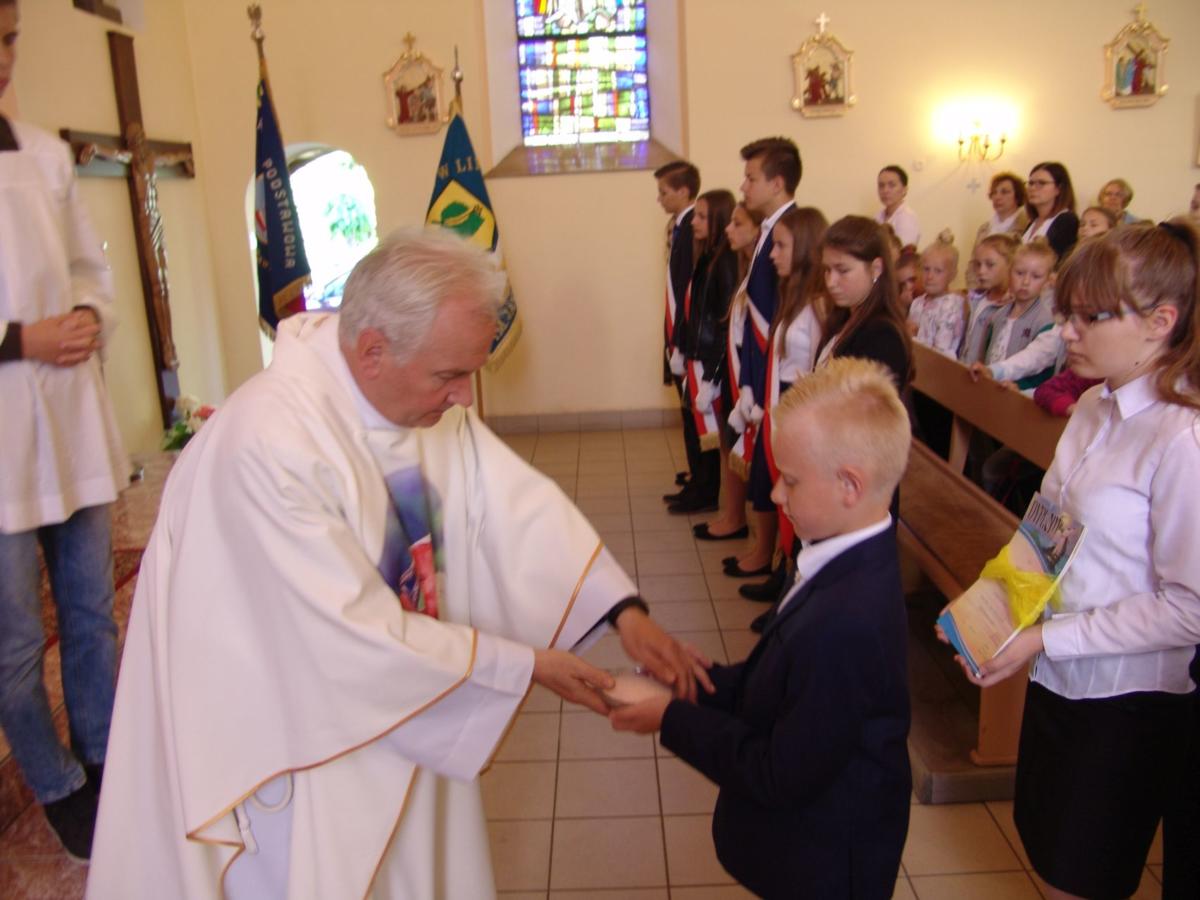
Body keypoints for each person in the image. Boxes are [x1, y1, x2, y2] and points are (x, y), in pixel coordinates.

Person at [87, 230, 699, 899]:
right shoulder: (269, 445)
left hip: (411, 713)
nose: (465, 398)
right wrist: (526, 666)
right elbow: (342, 636)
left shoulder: (408, 399)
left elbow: (508, 509)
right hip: (303, 756)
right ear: (373, 350)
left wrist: (622, 613)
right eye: (450, 376)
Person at [947, 220, 1200, 900]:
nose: (1068, 333)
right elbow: (1047, 528)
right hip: (1061, 676)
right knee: (1050, 852)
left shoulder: (1182, 437)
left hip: (1126, 701)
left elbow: (1189, 610)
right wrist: (988, 614)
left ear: (1161, 322)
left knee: (1083, 876)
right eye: (1066, 315)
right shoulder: (1092, 404)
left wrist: (1040, 640)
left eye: (1090, 317)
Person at [611, 357, 913, 899]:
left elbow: (779, 773)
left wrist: (669, 717)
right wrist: (696, 680)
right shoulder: (841, 558)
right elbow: (782, 686)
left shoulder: (849, 622)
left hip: (825, 868)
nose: (775, 495)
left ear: (850, 485)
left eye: (790, 481)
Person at [0, 0, 127, 862]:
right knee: (13, 644)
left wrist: (86, 312)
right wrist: (21, 341)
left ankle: (107, 756)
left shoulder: (44, 154)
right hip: (4, 434)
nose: (3, 56)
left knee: (91, 615)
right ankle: (57, 785)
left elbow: (90, 268)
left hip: (70, 420)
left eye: (10, 38)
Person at [739, 206, 829, 607]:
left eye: (781, 246)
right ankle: (781, 575)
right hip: (781, 402)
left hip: (798, 404)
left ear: (806, 248)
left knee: (795, 498)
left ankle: (789, 587)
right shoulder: (792, 296)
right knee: (772, 491)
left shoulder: (819, 304)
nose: (772, 255)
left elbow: (819, 369)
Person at [725, 137, 801, 578]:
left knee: (775, 470)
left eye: (751, 178)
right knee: (764, 471)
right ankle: (767, 555)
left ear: (777, 182)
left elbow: (773, 319)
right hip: (761, 376)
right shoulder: (771, 230)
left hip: (778, 377)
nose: (744, 186)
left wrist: (757, 385)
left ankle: (775, 562)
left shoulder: (787, 231)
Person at [693, 201, 761, 543]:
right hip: (733, 370)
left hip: (745, 375)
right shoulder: (740, 265)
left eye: (737, 223)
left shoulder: (748, 270)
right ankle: (733, 516)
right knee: (729, 443)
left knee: (737, 445)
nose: (728, 230)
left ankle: (738, 520)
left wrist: (714, 375)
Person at [670, 188, 737, 514]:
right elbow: (691, 310)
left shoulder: (724, 261)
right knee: (694, 426)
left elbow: (724, 322)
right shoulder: (707, 257)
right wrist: (681, 347)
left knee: (708, 430)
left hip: (708, 359)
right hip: (696, 354)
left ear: (718, 220)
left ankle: (707, 492)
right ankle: (698, 484)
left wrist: (712, 375)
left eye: (701, 216)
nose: (694, 222)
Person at [654, 159, 701, 499]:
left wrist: (681, 342)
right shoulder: (679, 227)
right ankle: (697, 473)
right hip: (678, 331)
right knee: (687, 412)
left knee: (693, 413)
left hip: (688, 335)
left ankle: (703, 484)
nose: (659, 199)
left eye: (664, 192)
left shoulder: (692, 229)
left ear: (684, 191)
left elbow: (687, 290)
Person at [969, 240, 1060, 392]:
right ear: (1009, 272)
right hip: (990, 389)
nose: (1025, 282)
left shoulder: (1046, 322)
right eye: (1020, 273)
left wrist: (1019, 386)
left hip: (1019, 395)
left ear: (1047, 281)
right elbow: (985, 355)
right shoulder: (997, 315)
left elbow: (1038, 364)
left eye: (1036, 276)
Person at [961, 233, 1018, 365]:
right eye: (978, 264)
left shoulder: (1012, 307)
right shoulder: (974, 300)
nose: (981, 271)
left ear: (1010, 265)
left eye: (990, 265)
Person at [967, 172, 1027, 289]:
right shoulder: (984, 228)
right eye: (994, 192)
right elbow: (973, 263)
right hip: (981, 290)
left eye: (1004, 192)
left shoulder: (1026, 225)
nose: (997, 197)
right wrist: (974, 291)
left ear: (1017, 196)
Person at [907, 237, 964, 359]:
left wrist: (912, 338)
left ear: (952, 275)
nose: (930, 276)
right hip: (914, 359)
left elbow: (941, 350)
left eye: (938, 271)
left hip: (937, 365)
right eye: (926, 269)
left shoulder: (951, 306)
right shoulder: (917, 302)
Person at [1022, 161, 1079, 263]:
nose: (1033, 188)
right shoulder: (1032, 222)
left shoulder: (1067, 220)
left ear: (1058, 189)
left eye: (1041, 183)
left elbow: (1057, 261)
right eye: (1031, 183)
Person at [874, 164, 920, 248]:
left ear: (904, 190)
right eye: (881, 186)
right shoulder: (878, 215)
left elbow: (904, 252)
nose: (885, 190)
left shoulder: (907, 217)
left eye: (892, 185)